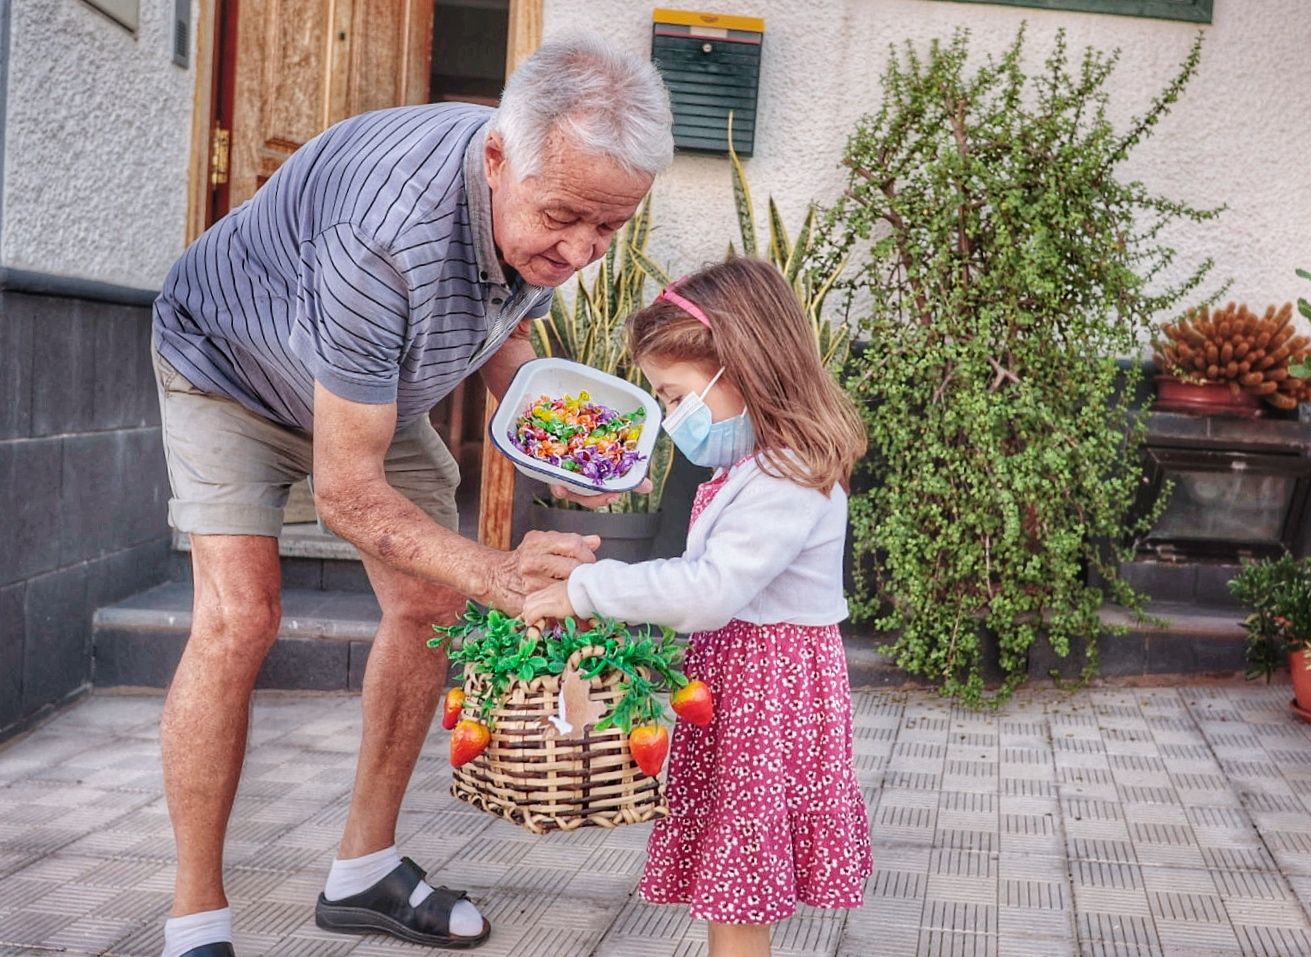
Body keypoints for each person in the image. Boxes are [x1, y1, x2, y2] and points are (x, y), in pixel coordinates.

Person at [149, 36, 673, 957]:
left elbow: (505, 336)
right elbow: (347, 495)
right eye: (566, 219)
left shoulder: (537, 195)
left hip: (367, 391)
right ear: (498, 158)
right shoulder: (384, 235)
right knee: (240, 618)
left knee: (428, 602)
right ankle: (195, 922)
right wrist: (501, 576)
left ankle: (363, 871)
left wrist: (564, 441)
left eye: (609, 229)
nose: (583, 250)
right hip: (226, 369)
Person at [522, 258, 874, 957]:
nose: (674, 416)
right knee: (730, 877)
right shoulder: (754, 465)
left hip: (766, 699)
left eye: (676, 395)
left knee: (738, 883)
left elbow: (709, 589)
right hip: (745, 692)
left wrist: (588, 589)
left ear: (741, 367)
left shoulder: (789, 475)